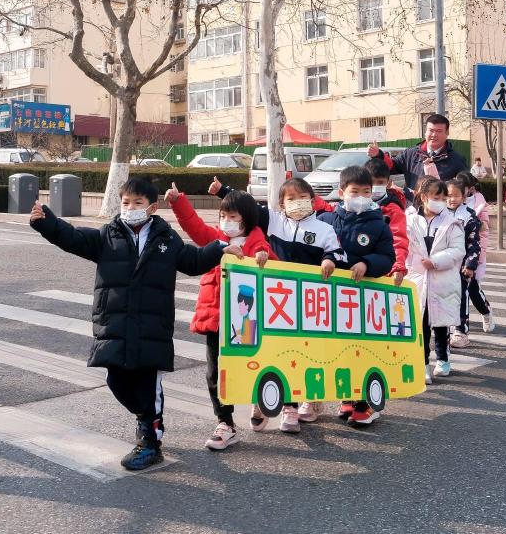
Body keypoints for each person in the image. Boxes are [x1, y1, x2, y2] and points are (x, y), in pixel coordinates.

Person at [30, 177, 234, 470]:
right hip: (114, 325)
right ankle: (147, 420)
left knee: (148, 385)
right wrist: (46, 222)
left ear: (151, 207)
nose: (130, 208)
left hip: (152, 328)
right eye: (126, 202)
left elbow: (193, 261)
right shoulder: (107, 236)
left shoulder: (167, 239)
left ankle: (150, 441)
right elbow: (73, 238)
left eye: (137, 203)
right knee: (116, 380)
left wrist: (218, 249)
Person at [210, 177, 345, 431]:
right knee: (273, 350)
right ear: (281, 204)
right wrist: (223, 192)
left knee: (303, 352)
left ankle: (296, 403)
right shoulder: (273, 221)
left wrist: (329, 260)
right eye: (290, 198)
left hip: (308, 302)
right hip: (274, 299)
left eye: (302, 197)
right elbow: (249, 208)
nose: (297, 203)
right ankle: (262, 400)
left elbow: (338, 253)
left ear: (313, 199)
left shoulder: (324, 229)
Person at [164, 183, 271, 451]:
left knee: (251, 364)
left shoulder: (256, 240)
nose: (227, 222)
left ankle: (259, 399)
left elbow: (269, 257)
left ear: (247, 219)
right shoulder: (216, 239)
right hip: (216, 318)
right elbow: (195, 227)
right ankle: (225, 422)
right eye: (224, 216)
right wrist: (178, 202)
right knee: (215, 372)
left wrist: (261, 255)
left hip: (247, 321)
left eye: (234, 217)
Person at [318, 166, 396, 426]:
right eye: (355, 191)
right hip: (335, 299)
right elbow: (317, 250)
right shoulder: (327, 221)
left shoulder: (378, 224)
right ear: (342, 193)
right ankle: (347, 397)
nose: (362, 196)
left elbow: (387, 257)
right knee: (339, 349)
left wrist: (367, 264)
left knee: (364, 350)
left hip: (365, 301)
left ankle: (367, 403)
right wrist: (327, 260)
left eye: (367, 191)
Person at [404, 177, 465, 384]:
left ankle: (443, 358)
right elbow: (404, 247)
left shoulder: (452, 222)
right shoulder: (410, 220)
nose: (440, 201)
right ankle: (422, 365)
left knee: (440, 324)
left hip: (442, 280)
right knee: (419, 325)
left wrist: (436, 261)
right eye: (435, 197)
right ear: (423, 197)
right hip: (417, 280)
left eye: (443, 197)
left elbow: (458, 250)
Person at [367, 114, 469, 189]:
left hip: (442, 211)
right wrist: (378, 155)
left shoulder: (456, 159)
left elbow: (464, 185)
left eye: (438, 131)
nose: (434, 135)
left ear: (447, 133)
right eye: (431, 130)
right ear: (425, 132)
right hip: (413, 210)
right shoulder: (411, 154)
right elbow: (392, 166)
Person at [444, 179, 489, 349]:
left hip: (462, 266)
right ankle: (443, 328)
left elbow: (474, 243)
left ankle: (461, 331)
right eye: (448, 195)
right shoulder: (440, 214)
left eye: (456, 195)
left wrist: (470, 264)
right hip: (443, 265)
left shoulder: (469, 216)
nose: (452, 199)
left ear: (464, 196)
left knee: (461, 297)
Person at [456, 171, 495, 333]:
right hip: (456, 254)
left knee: (472, 290)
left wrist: (472, 222)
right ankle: (458, 327)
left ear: (470, 189)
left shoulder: (479, 203)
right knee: (458, 291)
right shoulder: (452, 201)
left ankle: (486, 312)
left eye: (462, 188)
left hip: (474, 254)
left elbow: (484, 227)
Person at [364, 158, 410, 288]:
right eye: (371, 182)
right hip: (356, 268)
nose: (375, 187)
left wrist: (397, 267)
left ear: (388, 183)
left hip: (383, 271)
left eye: (380, 182)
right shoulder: (355, 204)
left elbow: (398, 239)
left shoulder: (393, 210)